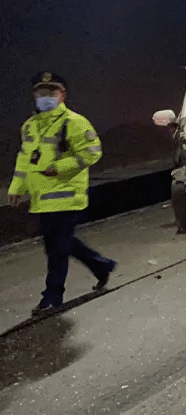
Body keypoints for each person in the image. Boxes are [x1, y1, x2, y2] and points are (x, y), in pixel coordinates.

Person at [7, 72, 116, 316]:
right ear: (34, 96)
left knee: (56, 249)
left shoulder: (74, 122)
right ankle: (102, 266)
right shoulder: (29, 126)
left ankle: (52, 296)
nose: (45, 97)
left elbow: (92, 152)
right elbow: (24, 161)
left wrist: (59, 167)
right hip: (41, 199)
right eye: (41, 93)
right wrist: (16, 187)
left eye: (51, 93)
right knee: (61, 245)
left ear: (62, 95)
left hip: (67, 196)